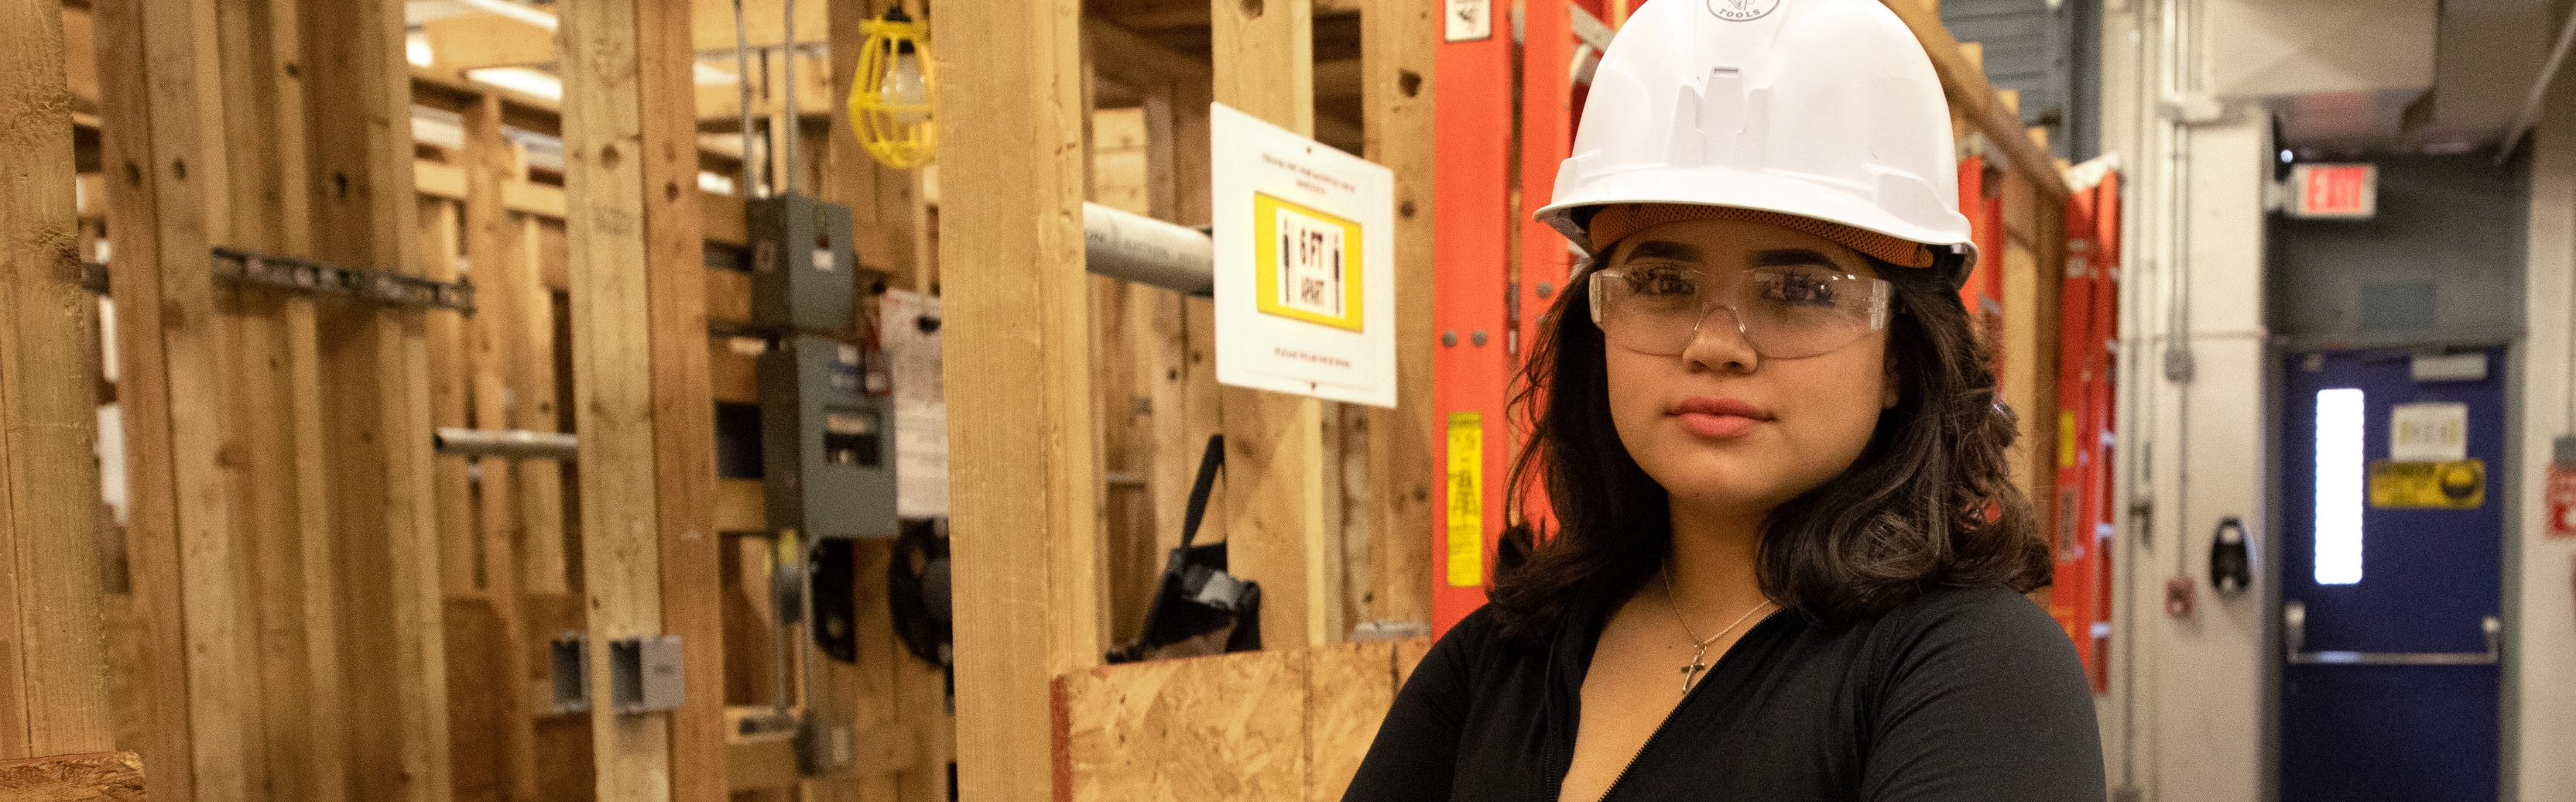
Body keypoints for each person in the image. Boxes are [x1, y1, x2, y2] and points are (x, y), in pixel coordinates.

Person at [1340, 1, 2105, 800]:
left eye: (1800, 290)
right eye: (1663, 283)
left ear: (1900, 360)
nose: (1715, 343)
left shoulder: (1974, 670)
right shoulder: (1497, 661)